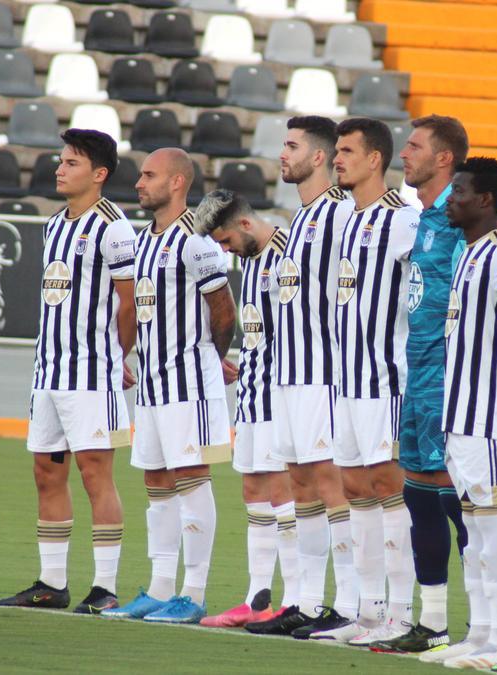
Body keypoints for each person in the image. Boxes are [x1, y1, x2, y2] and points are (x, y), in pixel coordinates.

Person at [0, 128, 137, 615]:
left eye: (71, 162)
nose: (60, 169)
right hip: (48, 373)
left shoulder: (114, 228)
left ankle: (105, 586)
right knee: (45, 473)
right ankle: (52, 584)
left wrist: (118, 357)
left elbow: (129, 303)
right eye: (60, 161)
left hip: (92, 373)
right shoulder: (55, 224)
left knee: (95, 474)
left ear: (99, 174)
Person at [101, 149, 237, 625]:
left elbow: (223, 310)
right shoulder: (144, 240)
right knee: (156, 482)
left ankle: (193, 593)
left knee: (191, 478)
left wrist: (210, 357)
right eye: (140, 175)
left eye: (149, 175)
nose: (139, 183)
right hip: (154, 386)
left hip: (188, 383)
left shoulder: (195, 242)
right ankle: (159, 589)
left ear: (178, 183)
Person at [246, 116, 357, 639]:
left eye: (291, 146)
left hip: (323, 372)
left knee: (332, 483)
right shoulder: (303, 217)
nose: (282, 154)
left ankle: (352, 603)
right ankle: (310, 602)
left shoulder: (340, 214)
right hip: (288, 375)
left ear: (320, 157)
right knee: (302, 485)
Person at [322, 117, 419, 647]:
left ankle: (402, 614)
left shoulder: (405, 219)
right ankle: (368, 610)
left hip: (386, 376)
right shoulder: (341, 217)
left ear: (375, 159)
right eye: (336, 151)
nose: (337, 159)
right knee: (356, 489)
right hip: (346, 379)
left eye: (346, 152)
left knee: (389, 489)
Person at [433, 157, 497, 670]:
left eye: (460, 191)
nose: (451, 199)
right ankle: (482, 634)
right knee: (472, 527)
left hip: (493, 415)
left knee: (491, 525)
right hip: (462, 415)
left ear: (486, 200)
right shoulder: (468, 253)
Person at [382, 114, 470, 657]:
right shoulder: (422, 220)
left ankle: (486, 625)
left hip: (446, 374)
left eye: (414, 146)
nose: (404, 154)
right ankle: (432, 622)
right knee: (417, 492)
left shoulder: (463, 221)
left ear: (444, 159)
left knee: (457, 500)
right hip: (416, 371)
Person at [194, 190, 301, 628]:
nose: (223, 251)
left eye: (223, 241)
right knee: (254, 492)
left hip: (284, 398)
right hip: (254, 395)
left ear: (243, 224)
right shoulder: (253, 261)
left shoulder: (290, 254)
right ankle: (257, 601)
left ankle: (296, 601)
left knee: (284, 495)